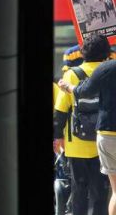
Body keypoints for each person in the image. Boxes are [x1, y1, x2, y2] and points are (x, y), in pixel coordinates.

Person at [54, 35, 110, 215]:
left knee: (79, 191)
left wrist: (57, 136)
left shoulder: (71, 74)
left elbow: (61, 110)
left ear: (83, 52)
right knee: (100, 193)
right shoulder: (109, 72)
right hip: (103, 141)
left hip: (75, 144)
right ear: (106, 52)